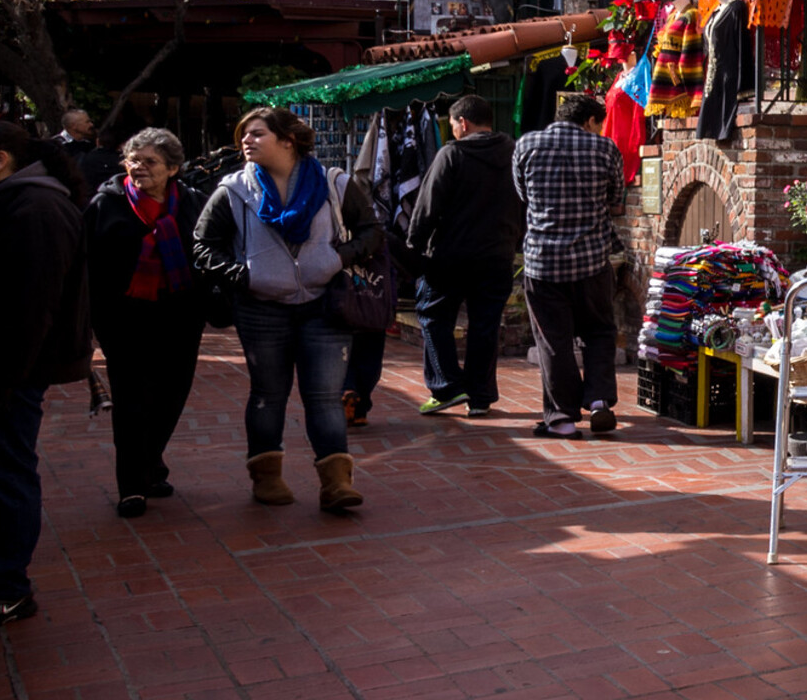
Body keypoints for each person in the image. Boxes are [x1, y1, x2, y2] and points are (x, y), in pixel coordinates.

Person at [193, 107, 383, 513]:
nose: (246, 141)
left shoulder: (334, 184)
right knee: (268, 394)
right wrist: (244, 276)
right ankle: (267, 477)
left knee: (325, 397)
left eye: (257, 134)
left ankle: (336, 484)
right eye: (243, 134)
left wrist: (337, 259)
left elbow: (371, 231)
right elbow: (203, 245)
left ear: (288, 140)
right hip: (260, 308)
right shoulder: (233, 190)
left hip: (325, 305)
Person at [0, 123, 89, 633]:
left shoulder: (35, 209)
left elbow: (30, 309)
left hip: (4, 374)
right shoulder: (4, 201)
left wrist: (0, 381)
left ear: (0, 159)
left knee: (3, 474)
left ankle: (6, 588)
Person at [83, 129, 208, 517]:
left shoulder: (193, 203)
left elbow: (211, 251)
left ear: (173, 168)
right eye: (133, 160)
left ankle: (150, 462)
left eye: (149, 161)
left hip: (180, 318)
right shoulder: (106, 204)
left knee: (171, 396)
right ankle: (132, 485)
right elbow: (86, 264)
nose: (138, 168)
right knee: (132, 402)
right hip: (123, 321)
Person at [511, 94, 625, 439]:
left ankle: (561, 419)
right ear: (590, 120)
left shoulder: (526, 144)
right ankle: (600, 401)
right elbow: (616, 199)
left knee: (553, 340)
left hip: (543, 263)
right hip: (591, 260)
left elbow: (523, 196)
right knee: (600, 331)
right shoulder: (605, 149)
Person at [409, 94, 524, 416]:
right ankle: (480, 396)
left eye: (454, 125)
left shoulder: (452, 154)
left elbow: (427, 207)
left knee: (433, 316)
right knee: (485, 325)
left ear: (463, 123)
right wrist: (517, 240)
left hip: (451, 255)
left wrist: (413, 246)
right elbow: (528, 201)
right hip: (498, 255)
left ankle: (447, 386)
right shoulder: (515, 153)